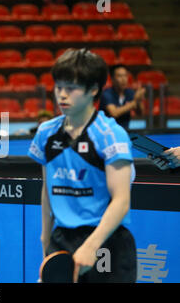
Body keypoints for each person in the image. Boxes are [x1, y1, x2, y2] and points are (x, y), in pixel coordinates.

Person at [28, 48, 137, 283]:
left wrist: (92, 245)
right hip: (62, 239)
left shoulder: (110, 135)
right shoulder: (46, 133)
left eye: (71, 88)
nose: (62, 95)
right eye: (58, 87)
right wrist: (46, 239)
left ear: (93, 90)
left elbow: (121, 200)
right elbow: (47, 189)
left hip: (107, 240)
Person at [99, 64, 145, 130]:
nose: (124, 79)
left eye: (125, 75)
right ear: (112, 79)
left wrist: (139, 100)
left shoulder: (129, 92)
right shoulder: (107, 94)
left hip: (125, 131)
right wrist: (134, 102)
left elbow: (140, 113)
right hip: (107, 132)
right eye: (119, 76)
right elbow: (114, 113)